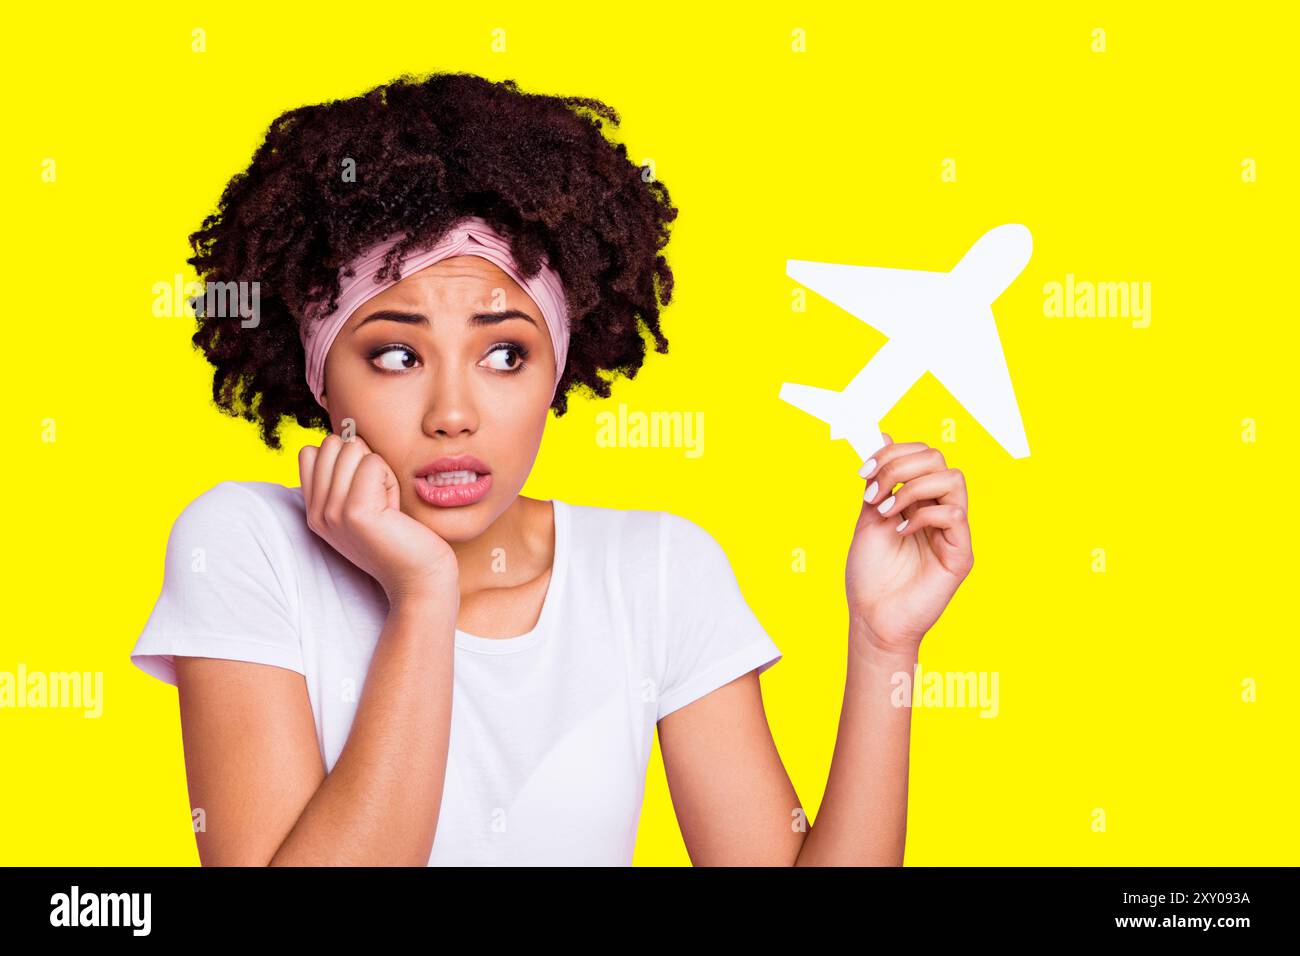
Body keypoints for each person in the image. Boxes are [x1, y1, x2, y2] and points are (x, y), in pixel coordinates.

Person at [130, 71, 974, 866]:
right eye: (395, 355)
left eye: (504, 354)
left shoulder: (657, 572)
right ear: (320, 372)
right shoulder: (244, 546)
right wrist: (423, 595)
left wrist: (883, 643)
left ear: (557, 369)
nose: (452, 413)